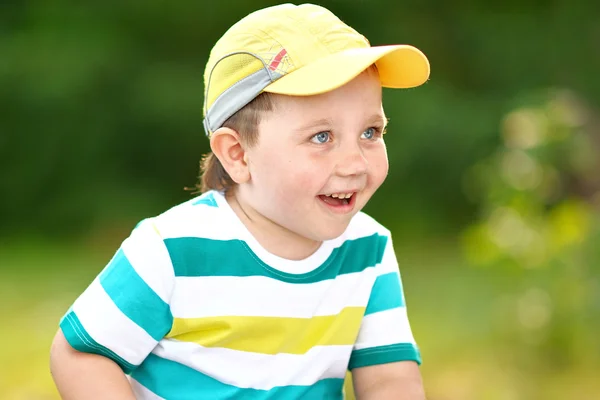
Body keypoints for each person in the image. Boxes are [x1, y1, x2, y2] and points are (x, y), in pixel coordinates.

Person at [50, 3, 430, 399]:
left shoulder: (367, 249)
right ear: (238, 154)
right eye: (322, 137)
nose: (355, 163)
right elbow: (81, 354)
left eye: (370, 131)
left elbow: (390, 378)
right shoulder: (173, 250)